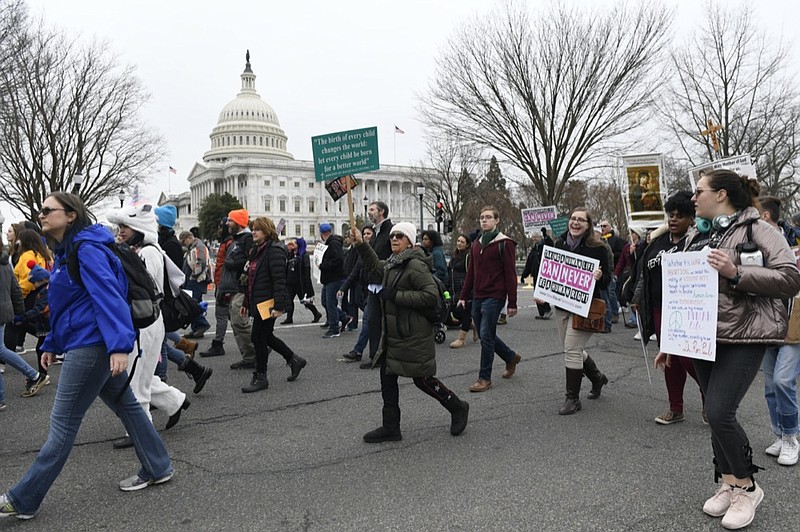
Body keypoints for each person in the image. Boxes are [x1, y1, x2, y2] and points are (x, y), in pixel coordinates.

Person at [0, 193, 173, 520]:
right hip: (88, 341)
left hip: (92, 345)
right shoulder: (68, 251)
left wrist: (120, 345)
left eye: (48, 210)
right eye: (42, 210)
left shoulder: (87, 249)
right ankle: (158, 465)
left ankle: (23, 499)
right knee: (128, 406)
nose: (42, 215)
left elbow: (109, 297)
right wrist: (51, 342)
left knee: (63, 424)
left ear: (70, 215)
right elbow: (70, 306)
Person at [684, 170, 800, 529]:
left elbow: (790, 278)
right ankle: (728, 481)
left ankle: (748, 487)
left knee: (720, 412)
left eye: (698, 191)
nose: (693, 198)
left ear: (720, 195)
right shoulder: (697, 234)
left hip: (747, 333)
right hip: (702, 335)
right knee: (710, 410)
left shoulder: (761, 231)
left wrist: (736, 273)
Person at [351, 222, 469, 441]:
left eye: (400, 236)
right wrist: (361, 245)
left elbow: (430, 295)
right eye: (393, 236)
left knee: (422, 380)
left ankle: (457, 406)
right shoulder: (395, 262)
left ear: (409, 242)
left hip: (412, 335)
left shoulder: (414, 265)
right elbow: (377, 268)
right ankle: (391, 427)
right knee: (387, 377)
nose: (394, 239)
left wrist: (395, 296)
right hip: (395, 335)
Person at [106, 205, 192, 448]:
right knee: (140, 375)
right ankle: (175, 400)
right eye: (120, 227)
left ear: (140, 229)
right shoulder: (144, 250)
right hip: (147, 321)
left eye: (125, 227)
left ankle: (140, 430)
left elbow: (142, 291)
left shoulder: (147, 253)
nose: (120, 232)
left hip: (144, 322)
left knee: (134, 379)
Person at [631, 191, 705, 425]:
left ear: (691, 219)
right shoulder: (659, 242)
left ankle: (711, 399)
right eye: (670, 215)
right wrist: (637, 297)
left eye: (680, 216)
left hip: (687, 308)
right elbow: (645, 272)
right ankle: (675, 408)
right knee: (669, 360)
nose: (673, 220)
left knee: (686, 359)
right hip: (659, 307)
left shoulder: (697, 240)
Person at [549, 208, 612, 415]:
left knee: (572, 350)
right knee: (571, 349)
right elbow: (551, 274)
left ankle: (572, 399)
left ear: (588, 225)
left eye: (581, 220)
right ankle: (597, 378)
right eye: (573, 219)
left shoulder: (598, 248)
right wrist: (543, 292)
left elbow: (608, 281)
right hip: (562, 306)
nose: (576, 223)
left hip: (585, 308)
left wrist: (600, 276)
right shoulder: (559, 244)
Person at [756, 195, 800, 466]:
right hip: (765, 322)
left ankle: (792, 436)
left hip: (793, 322)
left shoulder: (793, 244)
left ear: (765, 217)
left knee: (784, 381)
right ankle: (781, 434)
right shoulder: (751, 245)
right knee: (771, 386)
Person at [458, 206, 521, 393]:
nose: (484, 220)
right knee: (487, 334)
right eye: (481, 218)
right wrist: (463, 296)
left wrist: (512, 302)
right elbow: (471, 273)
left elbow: (511, 274)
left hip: (495, 296)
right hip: (478, 295)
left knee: (486, 335)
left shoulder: (505, 243)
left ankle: (484, 378)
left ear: (497, 220)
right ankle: (510, 357)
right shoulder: (477, 243)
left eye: (488, 218)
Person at [240, 217, 306, 393]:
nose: (253, 232)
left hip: (268, 303)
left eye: (258, 229)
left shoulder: (274, 251)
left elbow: (279, 280)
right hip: (258, 301)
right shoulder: (257, 250)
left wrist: (278, 306)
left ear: (267, 231)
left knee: (258, 338)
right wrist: (247, 302)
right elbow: (250, 279)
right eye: (253, 229)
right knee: (266, 336)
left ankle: (261, 376)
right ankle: (294, 360)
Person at [0, 242, 47, 409]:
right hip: (8, 310)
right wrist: (19, 312)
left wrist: (22, 314)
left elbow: (22, 287)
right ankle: (35, 374)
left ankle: (35, 374)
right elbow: (16, 288)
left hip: (10, 310)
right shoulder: (5, 262)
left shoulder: (24, 257)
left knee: (2, 349)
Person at [221, 209, 257, 370]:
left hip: (241, 287)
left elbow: (250, 260)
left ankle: (258, 348)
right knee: (236, 323)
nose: (227, 223)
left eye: (230, 220)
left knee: (239, 321)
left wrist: (232, 264)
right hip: (233, 287)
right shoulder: (235, 239)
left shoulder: (247, 239)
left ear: (239, 223)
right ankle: (249, 355)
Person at [360, 201, 394, 368]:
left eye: (372, 209)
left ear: (382, 212)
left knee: (383, 323)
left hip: (385, 283)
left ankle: (385, 355)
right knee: (373, 321)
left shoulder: (390, 231)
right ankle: (375, 356)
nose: (369, 212)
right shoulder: (376, 233)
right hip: (373, 284)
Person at [11, 262, 52, 397]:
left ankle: (43, 375)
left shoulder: (45, 292)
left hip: (46, 324)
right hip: (44, 324)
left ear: (40, 280)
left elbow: (39, 310)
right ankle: (43, 373)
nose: (33, 286)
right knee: (41, 348)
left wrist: (23, 318)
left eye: (34, 282)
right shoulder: (45, 290)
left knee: (40, 348)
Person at [199, 217, 233, 357]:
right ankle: (258, 342)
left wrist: (223, 286)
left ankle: (218, 344)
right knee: (232, 317)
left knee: (222, 315)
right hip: (222, 283)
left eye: (220, 227)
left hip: (226, 285)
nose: (218, 230)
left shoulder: (229, 243)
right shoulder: (226, 243)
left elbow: (228, 266)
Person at [342, 226, 374, 361]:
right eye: (364, 233)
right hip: (367, 290)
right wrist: (343, 287)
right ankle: (358, 351)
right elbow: (355, 271)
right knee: (367, 320)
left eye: (369, 233)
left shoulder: (375, 250)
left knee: (370, 321)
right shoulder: (363, 253)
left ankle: (362, 351)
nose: (366, 236)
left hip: (376, 291)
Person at [318, 222, 350, 339]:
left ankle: (334, 328)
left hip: (334, 278)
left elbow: (338, 259)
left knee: (330, 303)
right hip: (330, 278)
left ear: (322, 233)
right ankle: (343, 317)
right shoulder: (330, 243)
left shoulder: (333, 243)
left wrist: (323, 265)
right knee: (325, 301)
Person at [282, 237, 323, 324]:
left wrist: (306, 284)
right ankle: (289, 318)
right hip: (290, 282)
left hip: (300, 283)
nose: (293, 245)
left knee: (305, 301)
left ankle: (316, 313)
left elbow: (306, 270)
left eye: (295, 243)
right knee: (289, 300)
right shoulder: (290, 254)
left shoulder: (304, 255)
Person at [179, 231, 211, 339]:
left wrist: (193, 276)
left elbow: (200, 262)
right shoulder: (194, 247)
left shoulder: (199, 247)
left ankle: (202, 324)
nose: (183, 244)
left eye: (184, 241)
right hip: (195, 280)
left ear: (189, 238)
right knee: (194, 303)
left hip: (196, 280)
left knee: (191, 304)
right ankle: (197, 328)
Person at [448, 234, 477, 348]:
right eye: (458, 241)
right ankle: (472, 325)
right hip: (454, 290)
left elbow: (472, 274)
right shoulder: (454, 256)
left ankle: (461, 338)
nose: (459, 243)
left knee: (465, 312)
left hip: (465, 289)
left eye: (462, 242)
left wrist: (470, 289)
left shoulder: (468, 257)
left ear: (467, 244)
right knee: (456, 312)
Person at [521, 229, 554, 320]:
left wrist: (545, 235)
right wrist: (524, 275)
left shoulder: (545, 246)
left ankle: (547, 309)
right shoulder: (534, 249)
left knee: (543, 293)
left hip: (545, 274)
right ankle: (542, 312)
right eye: (533, 237)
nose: (534, 238)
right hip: (536, 274)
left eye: (536, 236)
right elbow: (529, 263)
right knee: (537, 294)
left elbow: (550, 244)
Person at [616, 227, 645, 328]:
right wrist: (616, 273)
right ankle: (633, 318)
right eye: (630, 233)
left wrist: (635, 251)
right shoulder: (627, 247)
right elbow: (621, 261)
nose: (630, 235)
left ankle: (638, 319)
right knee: (628, 293)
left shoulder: (642, 245)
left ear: (637, 234)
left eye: (633, 233)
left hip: (638, 273)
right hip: (629, 273)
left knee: (637, 295)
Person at [599, 220, 623, 330]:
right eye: (601, 226)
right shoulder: (599, 240)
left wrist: (613, 255)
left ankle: (614, 313)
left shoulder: (616, 239)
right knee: (605, 294)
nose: (602, 228)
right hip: (602, 272)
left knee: (610, 293)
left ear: (610, 227)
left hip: (612, 270)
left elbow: (622, 253)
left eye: (605, 226)